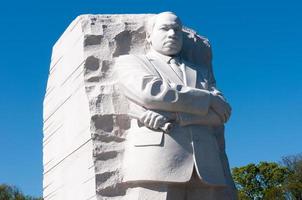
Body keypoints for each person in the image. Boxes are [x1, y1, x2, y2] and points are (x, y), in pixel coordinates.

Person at [115, 11, 236, 200]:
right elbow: (151, 92)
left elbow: (222, 113)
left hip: (206, 166)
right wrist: (209, 100)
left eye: (177, 30)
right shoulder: (131, 62)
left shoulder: (201, 73)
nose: (172, 34)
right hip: (156, 161)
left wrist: (180, 116)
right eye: (165, 29)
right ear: (149, 36)